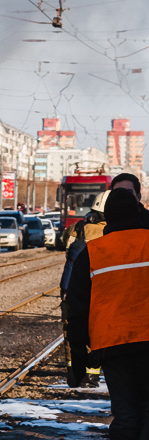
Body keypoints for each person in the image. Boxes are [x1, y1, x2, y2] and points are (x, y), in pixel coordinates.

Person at [67, 188, 149, 439]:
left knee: (125, 415)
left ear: (108, 217)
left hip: (112, 344)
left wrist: (78, 359)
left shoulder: (92, 252)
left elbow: (77, 309)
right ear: (137, 212)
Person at [60, 190, 108, 387]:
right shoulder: (112, 231)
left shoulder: (77, 228)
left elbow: (65, 243)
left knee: (71, 329)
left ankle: (74, 374)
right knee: (98, 329)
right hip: (101, 287)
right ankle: (93, 374)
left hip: (72, 286)